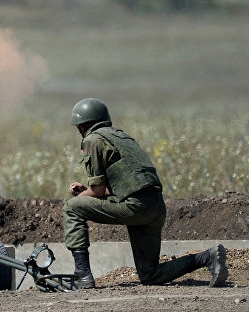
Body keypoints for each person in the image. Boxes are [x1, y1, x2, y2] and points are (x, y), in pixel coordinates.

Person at [63, 98, 228, 289]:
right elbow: (122, 185)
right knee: (150, 274)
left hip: (136, 206)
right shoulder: (120, 136)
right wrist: (87, 192)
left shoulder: (92, 140)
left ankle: (83, 276)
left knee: (71, 208)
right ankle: (206, 257)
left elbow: (98, 191)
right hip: (155, 207)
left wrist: (82, 196)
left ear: (82, 124)